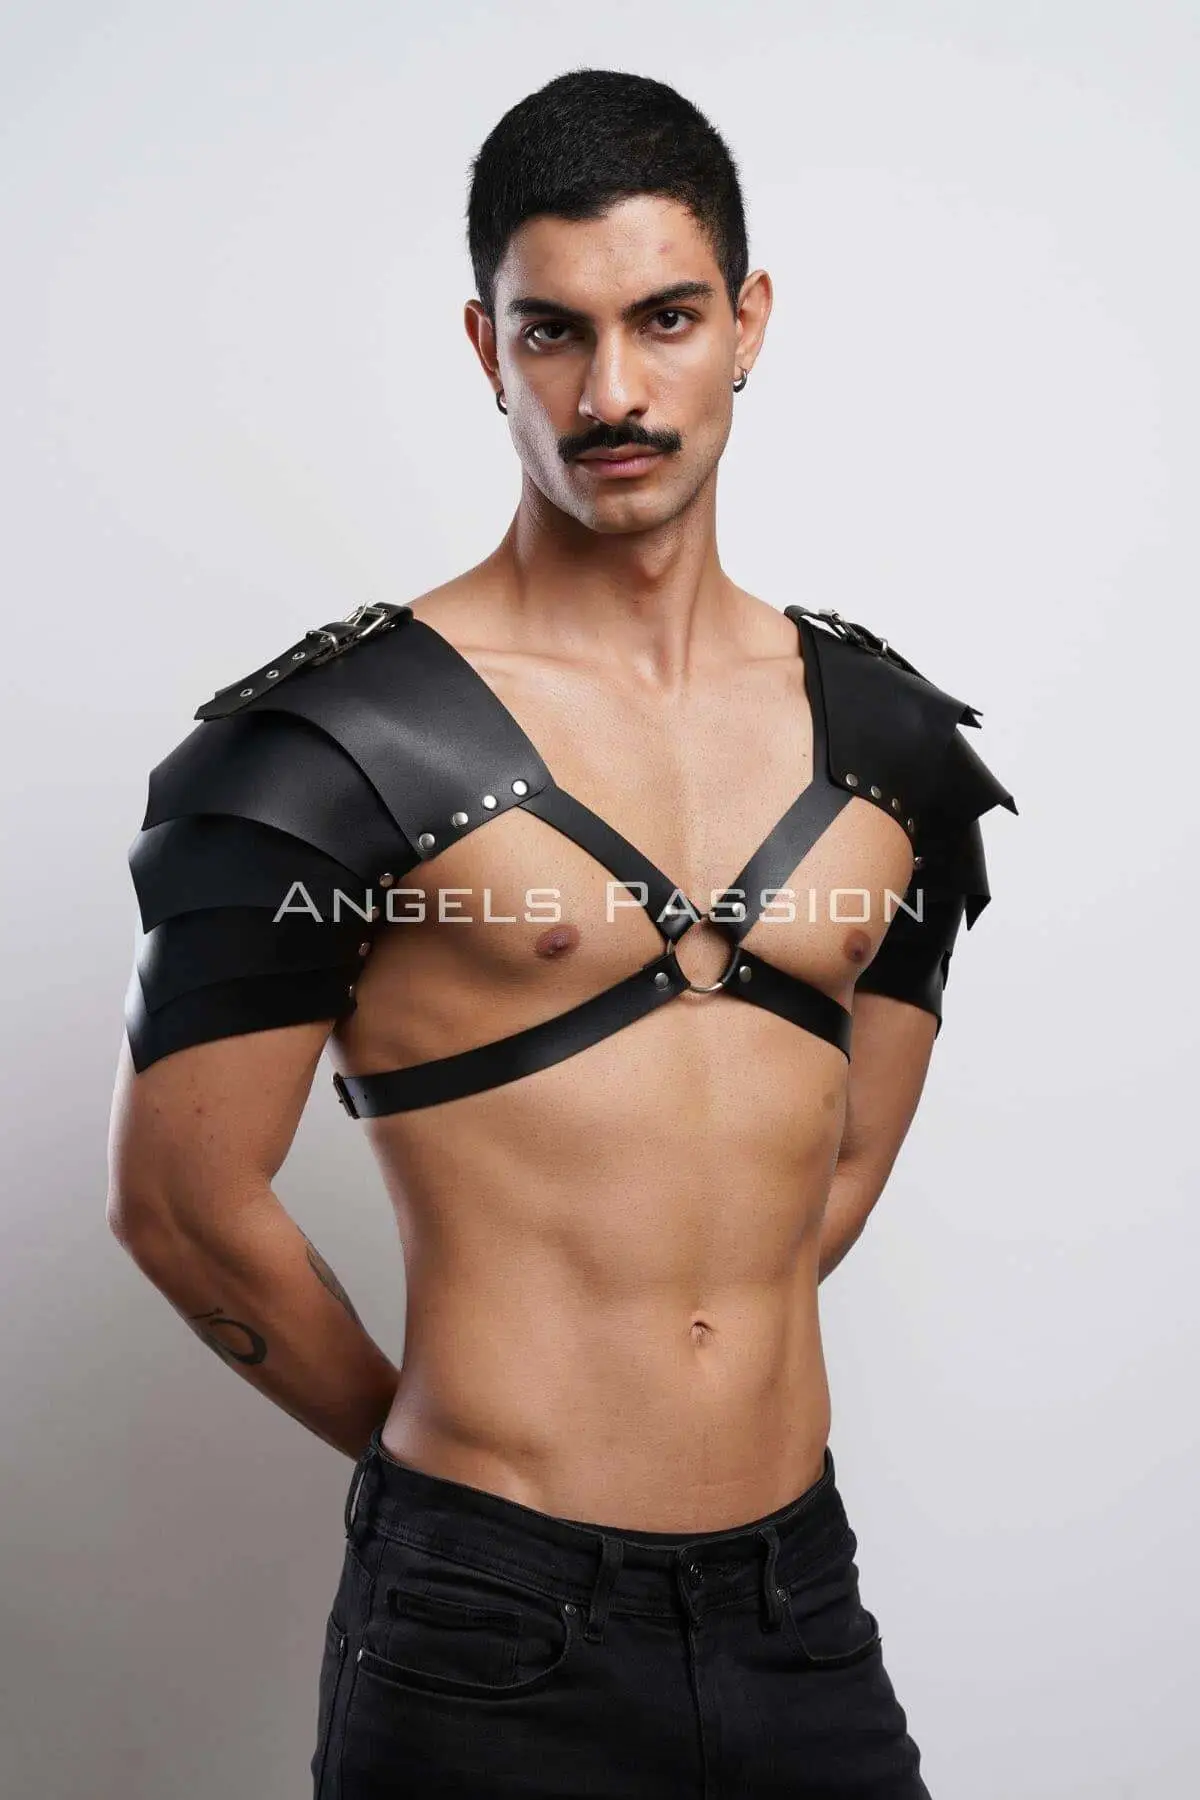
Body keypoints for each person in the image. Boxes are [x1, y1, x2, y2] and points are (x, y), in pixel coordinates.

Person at [106, 67, 1016, 1799]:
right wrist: (448, 1490)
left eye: (665, 318)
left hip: (800, 1606)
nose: (612, 393)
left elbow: (833, 1172)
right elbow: (180, 1205)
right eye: (553, 332)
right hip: (483, 1626)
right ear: (486, 346)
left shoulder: (896, 752)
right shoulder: (324, 756)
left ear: (747, 323)